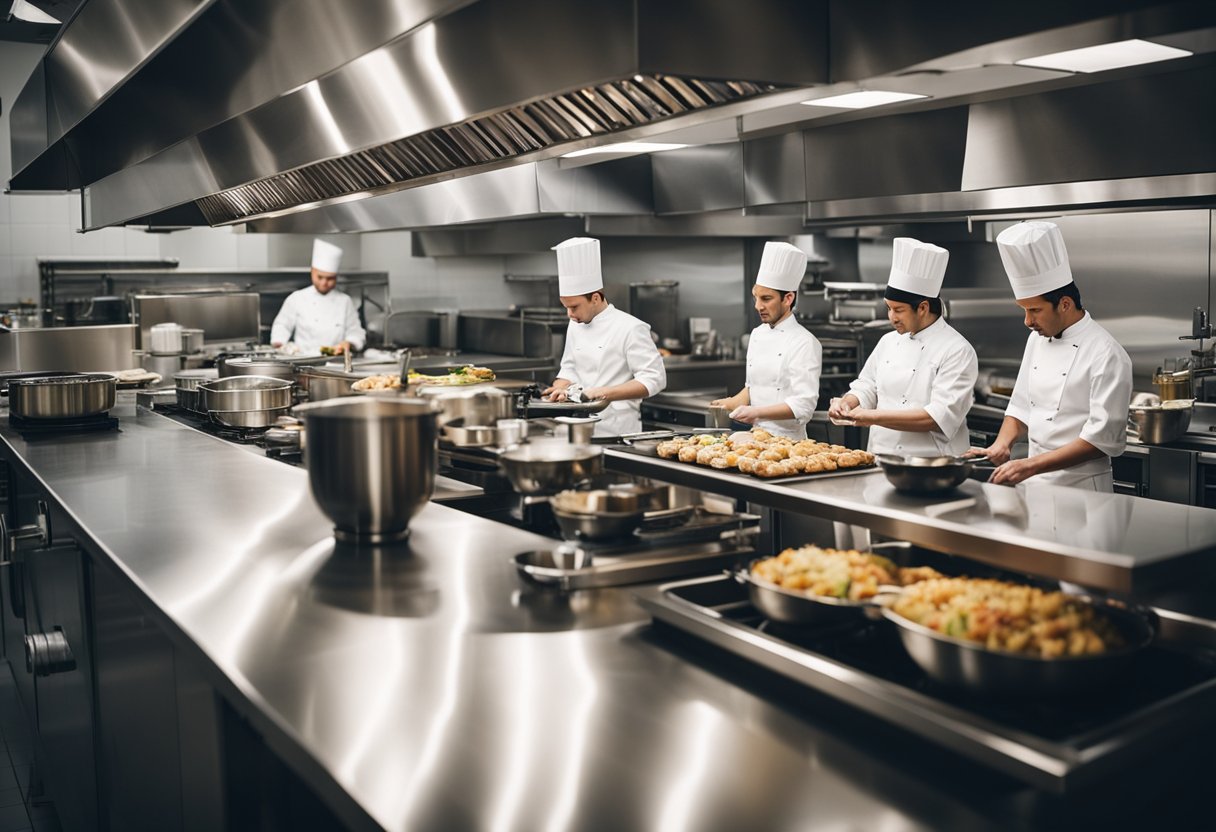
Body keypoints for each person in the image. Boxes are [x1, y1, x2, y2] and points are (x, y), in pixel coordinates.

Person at [968, 221, 1132, 491]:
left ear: (1065, 304)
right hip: (1035, 485)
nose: (1027, 321)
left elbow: (1100, 441)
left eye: (1034, 310)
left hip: (1083, 493)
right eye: (1023, 309)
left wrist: (1030, 464)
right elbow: (1021, 405)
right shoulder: (1036, 339)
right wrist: (1001, 445)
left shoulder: (1107, 354)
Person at [827, 238, 977, 456]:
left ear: (923, 308)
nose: (891, 317)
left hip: (931, 467)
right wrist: (847, 403)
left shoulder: (957, 350)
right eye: (888, 308)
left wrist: (869, 417)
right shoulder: (888, 341)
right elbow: (867, 385)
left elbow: (936, 417)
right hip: (880, 460)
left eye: (898, 310)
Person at [542, 237, 666, 437]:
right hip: (572, 427)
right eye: (565, 307)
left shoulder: (631, 328)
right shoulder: (575, 324)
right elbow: (569, 368)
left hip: (614, 431)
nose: (569, 315)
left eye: (574, 307)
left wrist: (601, 392)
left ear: (596, 298)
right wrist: (560, 389)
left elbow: (654, 379)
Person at [711, 241, 821, 440]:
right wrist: (730, 403)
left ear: (787, 299)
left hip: (789, 442)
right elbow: (754, 387)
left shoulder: (804, 342)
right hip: (757, 436)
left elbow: (803, 405)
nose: (758, 306)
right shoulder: (757, 334)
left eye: (766, 299)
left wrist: (757, 412)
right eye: (755, 297)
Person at [270, 239, 367, 355]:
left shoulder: (345, 301)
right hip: (303, 360)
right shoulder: (297, 298)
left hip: (336, 362)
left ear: (336, 277)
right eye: (320, 277)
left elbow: (356, 332)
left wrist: (348, 343)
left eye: (330, 278)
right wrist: (281, 345)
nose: (324, 283)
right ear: (312, 272)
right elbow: (282, 325)